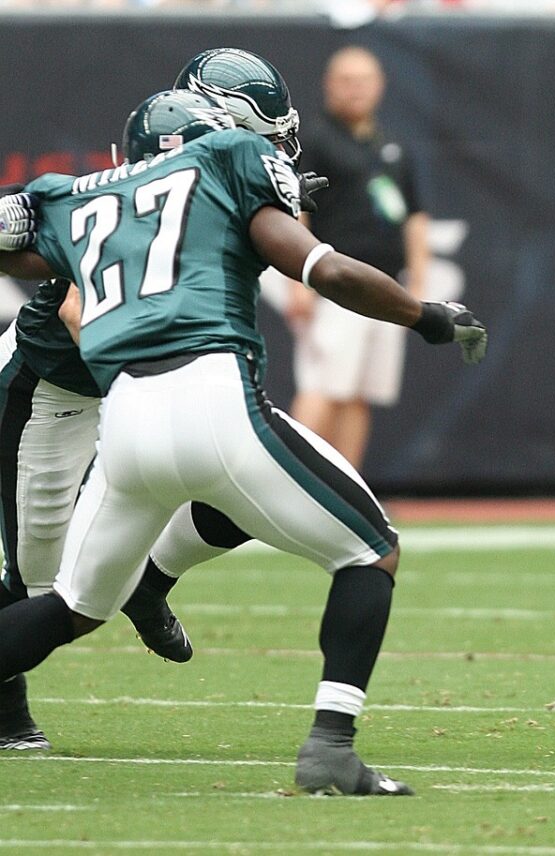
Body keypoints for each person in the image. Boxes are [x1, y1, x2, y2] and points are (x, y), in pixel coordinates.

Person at [0, 88, 485, 795]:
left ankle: (151, 585)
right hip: (213, 398)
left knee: (68, 607)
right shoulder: (229, 159)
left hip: (125, 417)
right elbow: (329, 271)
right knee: (368, 549)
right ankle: (331, 746)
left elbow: (20, 250)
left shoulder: (74, 199)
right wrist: (429, 316)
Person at [0, 47, 325, 753]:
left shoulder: (225, 178)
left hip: (139, 385)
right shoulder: (134, 184)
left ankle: (152, 578)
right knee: (34, 580)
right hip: (56, 389)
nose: (274, 147)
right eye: (259, 131)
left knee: (245, 486)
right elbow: (75, 308)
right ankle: (5, 714)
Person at [285, 45, 430, 471]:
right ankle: (289, 482)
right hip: (334, 283)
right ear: (329, 86)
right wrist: (298, 280)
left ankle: (350, 489)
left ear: (380, 86)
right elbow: (293, 213)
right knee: (322, 385)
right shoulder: (313, 141)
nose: (355, 90)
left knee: (359, 392)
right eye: (346, 81)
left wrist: (417, 282)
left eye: (363, 80)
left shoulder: (390, 144)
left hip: (383, 285)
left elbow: (415, 215)